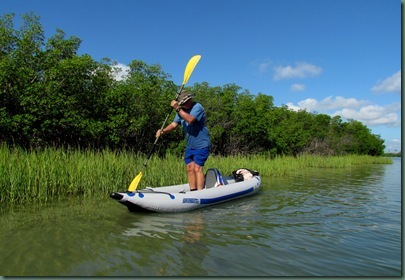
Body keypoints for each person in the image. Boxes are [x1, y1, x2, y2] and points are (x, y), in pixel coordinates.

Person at [156, 90, 210, 191]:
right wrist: (163, 131)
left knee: (197, 168)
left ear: (188, 100)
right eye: (181, 104)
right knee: (189, 167)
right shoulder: (181, 111)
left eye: (183, 103)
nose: (182, 105)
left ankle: (200, 193)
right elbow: (174, 124)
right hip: (190, 145)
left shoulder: (197, 107)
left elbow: (190, 120)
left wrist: (177, 108)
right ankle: (193, 191)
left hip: (202, 144)